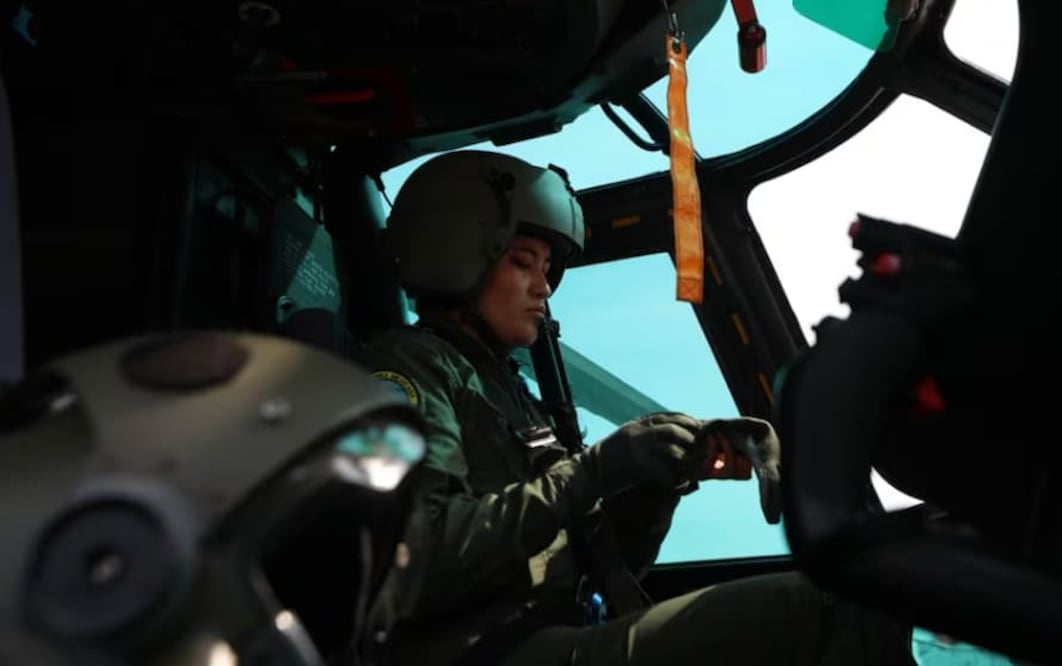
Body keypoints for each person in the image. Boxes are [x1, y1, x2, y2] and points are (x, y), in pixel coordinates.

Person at [357, 150, 916, 666]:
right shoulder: (411, 367)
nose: (543, 288)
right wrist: (596, 470)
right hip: (480, 653)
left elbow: (605, 572)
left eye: (547, 268)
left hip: (550, 637)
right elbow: (418, 556)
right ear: (456, 249)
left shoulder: (509, 392)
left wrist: (659, 483)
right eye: (524, 262)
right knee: (828, 608)